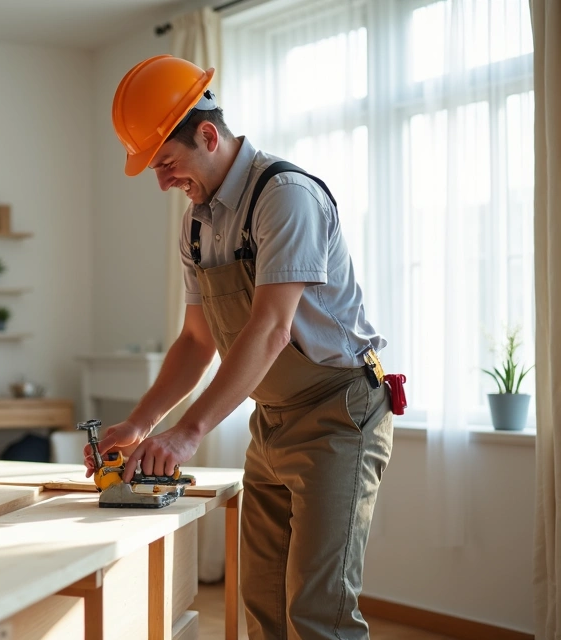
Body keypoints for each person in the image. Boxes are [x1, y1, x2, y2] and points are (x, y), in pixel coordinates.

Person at [91, 55, 401, 639]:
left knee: (318, 610)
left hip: (341, 414)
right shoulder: (198, 223)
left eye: (167, 163)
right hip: (272, 418)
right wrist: (140, 422)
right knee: (261, 601)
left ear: (207, 135)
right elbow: (196, 339)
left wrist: (188, 432)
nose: (162, 181)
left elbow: (269, 329)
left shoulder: (285, 196)